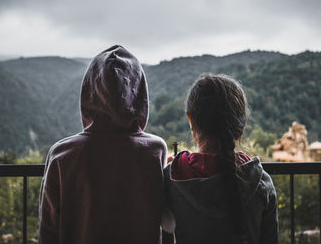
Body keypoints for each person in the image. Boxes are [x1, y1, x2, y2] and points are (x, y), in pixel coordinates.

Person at [39, 45, 167, 244]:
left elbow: (48, 229)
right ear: (139, 92)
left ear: (88, 91)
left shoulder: (62, 154)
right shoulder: (155, 150)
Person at [162, 74, 278, 244]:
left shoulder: (171, 177)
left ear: (190, 120)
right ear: (240, 124)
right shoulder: (261, 182)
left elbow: (163, 226)